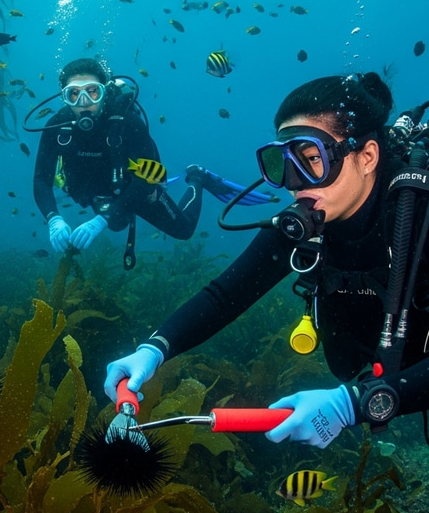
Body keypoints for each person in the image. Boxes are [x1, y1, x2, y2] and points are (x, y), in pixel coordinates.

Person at [105, 72, 429, 449]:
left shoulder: (419, 215)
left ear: (368, 156)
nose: (296, 183)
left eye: (311, 160)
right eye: (283, 164)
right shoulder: (308, 224)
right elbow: (225, 294)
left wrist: (349, 405)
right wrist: (155, 348)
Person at [32, 58, 270, 267]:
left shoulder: (126, 121)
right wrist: (53, 218)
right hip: (98, 195)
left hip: (135, 189)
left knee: (184, 230)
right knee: (117, 224)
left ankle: (197, 177)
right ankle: (112, 215)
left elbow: (150, 177)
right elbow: (41, 179)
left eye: (92, 91)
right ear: (64, 97)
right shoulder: (57, 127)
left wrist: (102, 219)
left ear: (104, 91)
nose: (83, 101)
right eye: (74, 94)